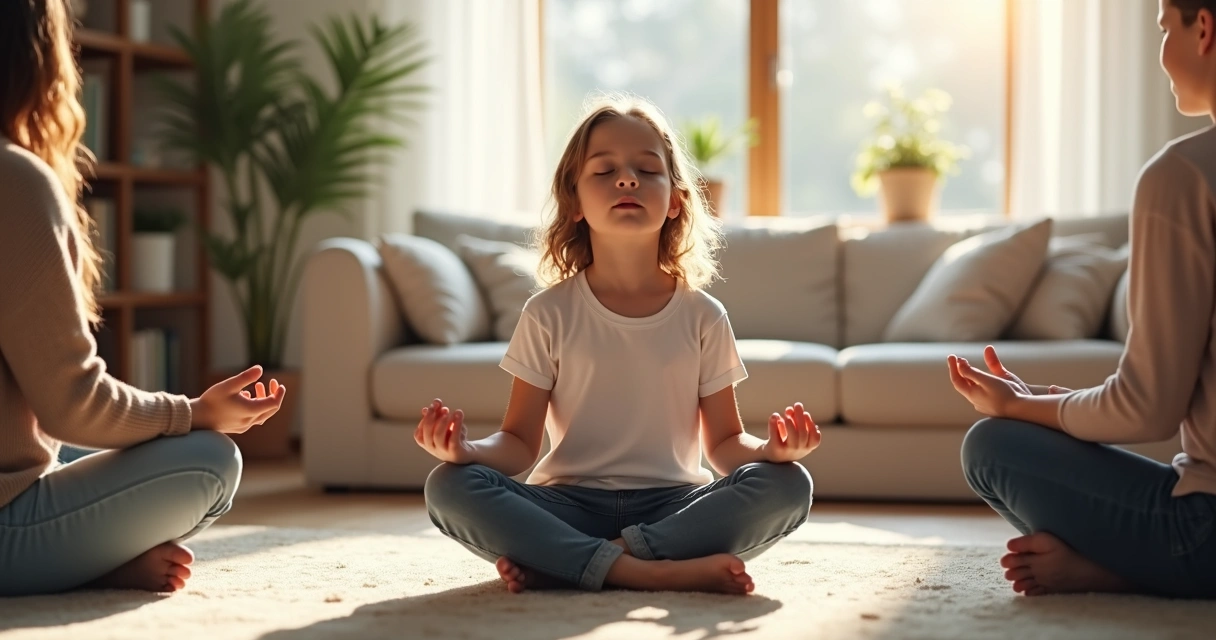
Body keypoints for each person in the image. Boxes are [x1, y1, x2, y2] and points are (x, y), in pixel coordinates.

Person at [417, 94, 817, 594]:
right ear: (575, 203)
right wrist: (465, 449)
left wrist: (772, 450)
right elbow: (519, 443)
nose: (626, 179)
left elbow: (723, 445)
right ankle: (650, 571)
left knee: (790, 484)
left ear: (675, 200)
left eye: (647, 169)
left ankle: (580, 563)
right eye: (604, 171)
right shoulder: (547, 313)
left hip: (674, 507)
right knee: (449, 485)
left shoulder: (703, 316)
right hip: (566, 506)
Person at [0, 0, 287, 596]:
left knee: (101, 444)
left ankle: (90, 558)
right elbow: (70, 405)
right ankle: (86, 567)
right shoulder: (15, 180)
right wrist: (197, 412)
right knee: (211, 460)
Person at [948, 0, 1216, 599]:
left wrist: (1020, 408)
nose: (1162, 52)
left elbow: (1148, 410)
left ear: (1204, 29)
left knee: (992, 446)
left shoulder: (1184, 175)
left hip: (1207, 530)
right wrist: (1056, 400)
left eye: (1164, 28)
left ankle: (1121, 574)